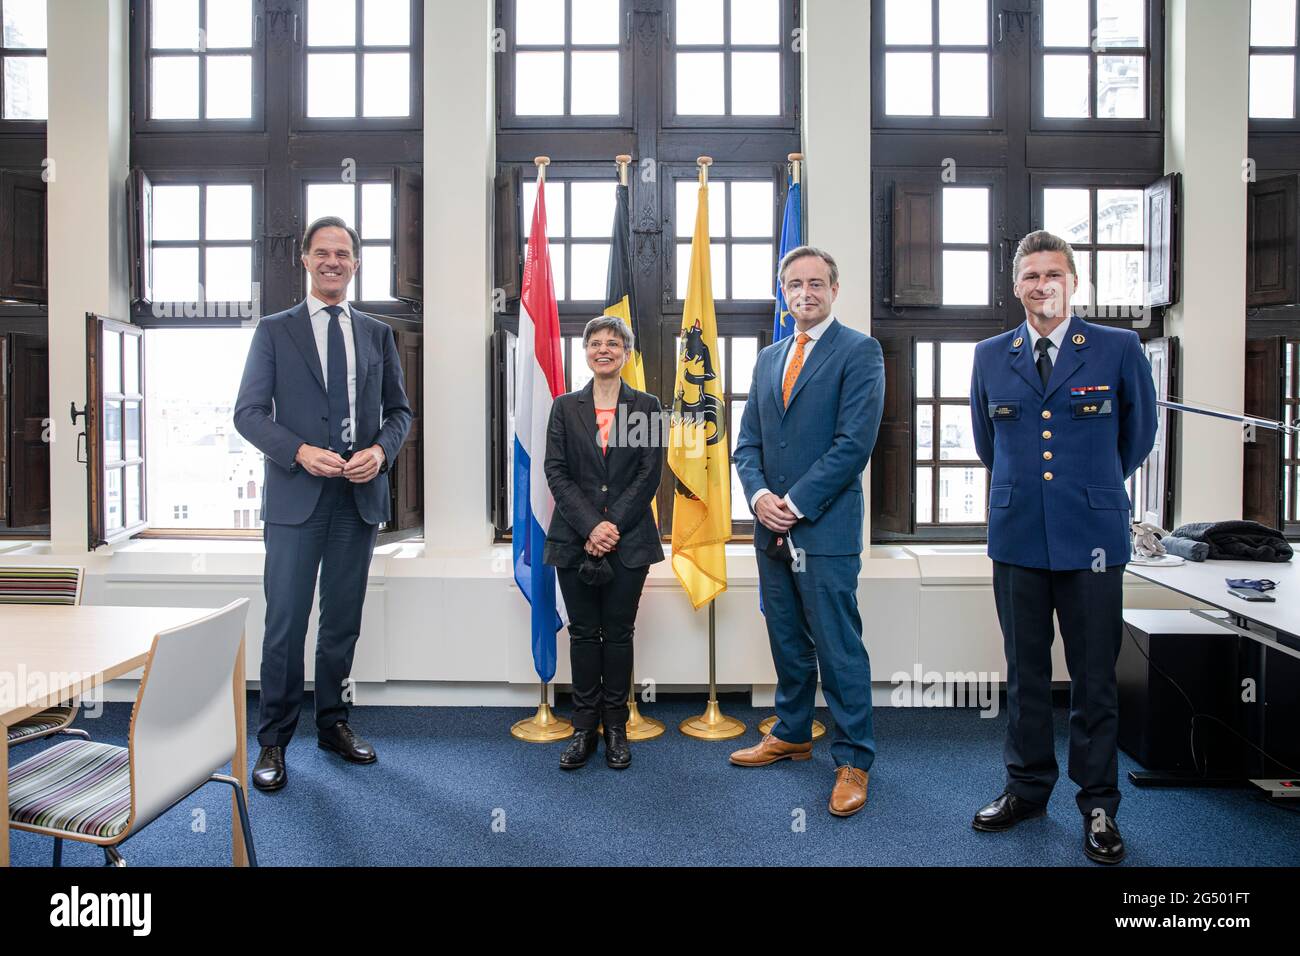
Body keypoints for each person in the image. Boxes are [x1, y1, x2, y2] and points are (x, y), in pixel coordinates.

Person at [969, 229, 1156, 863]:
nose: (1041, 285)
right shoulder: (991, 355)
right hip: (1018, 537)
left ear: (1073, 282)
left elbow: (1138, 435)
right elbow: (987, 445)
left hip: (1093, 540)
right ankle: (1025, 789)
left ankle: (1098, 803)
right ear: (1015, 286)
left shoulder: (1117, 348)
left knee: (1094, 678)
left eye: (1053, 274)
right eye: (1029, 276)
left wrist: (1088, 489)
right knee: (1023, 676)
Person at [234, 216, 412, 791]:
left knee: (341, 622)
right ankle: (273, 742)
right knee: (285, 623)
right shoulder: (274, 330)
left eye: (344, 253)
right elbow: (248, 414)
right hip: (295, 498)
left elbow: (400, 413)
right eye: (323, 252)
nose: (333, 261)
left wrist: (381, 454)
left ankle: (333, 723)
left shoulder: (378, 334)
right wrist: (299, 451)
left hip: (357, 499)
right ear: (306, 260)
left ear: (356, 264)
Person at [730, 245, 886, 817]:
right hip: (770, 531)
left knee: (839, 647)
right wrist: (760, 497)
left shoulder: (860, 352)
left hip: (824, 531)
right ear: (783, 292)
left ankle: (853, 759)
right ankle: (794, 731)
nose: (805, 293)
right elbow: (747, 443)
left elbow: (854, 446)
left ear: (833, 289)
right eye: (794, 284)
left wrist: (793, 502)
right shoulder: (770, 358)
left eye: (816, 283)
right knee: (788, 641)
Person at [543, 316, 665, 770]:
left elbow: (649, 473)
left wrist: (611, 525)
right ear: (586, 353)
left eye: (613, 343)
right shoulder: (563, 407)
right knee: (581, 633)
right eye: (595, 343)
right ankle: (582, 730)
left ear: (626, 353)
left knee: (617, 633)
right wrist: (591, 525)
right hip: (574, 540)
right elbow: (555, 471)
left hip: (629, 541)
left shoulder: (647, 406)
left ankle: (615, 728)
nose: (604, 349)